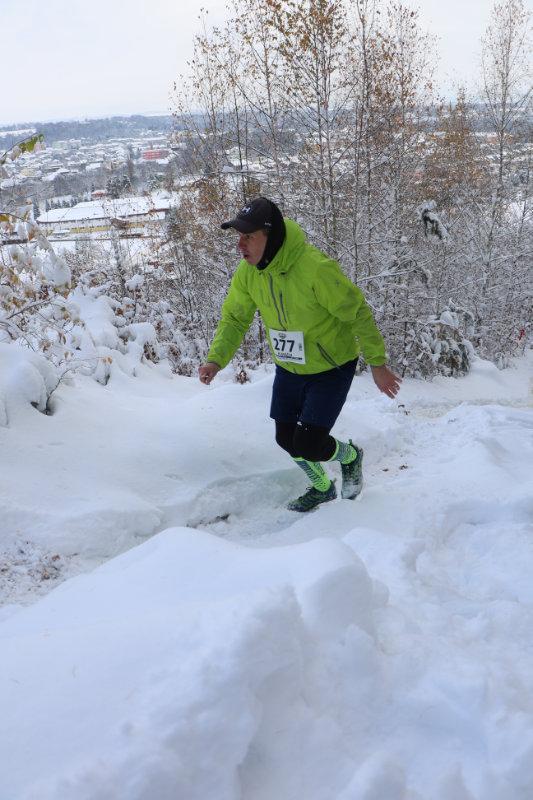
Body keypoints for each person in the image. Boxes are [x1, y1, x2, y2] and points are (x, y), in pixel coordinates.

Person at [199, 197, 401, 512]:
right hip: (289, 366)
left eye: (248, 237)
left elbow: (357, 312)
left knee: (309, 443)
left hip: (331, 366)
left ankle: (350, 456)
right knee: (285, 438)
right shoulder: (248, 273)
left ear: (271, 236)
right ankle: (322, 487)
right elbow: (235, 318)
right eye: (239, 237)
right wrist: (216, 359)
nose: (240, 245)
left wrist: (377, 363)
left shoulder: (315, 269)